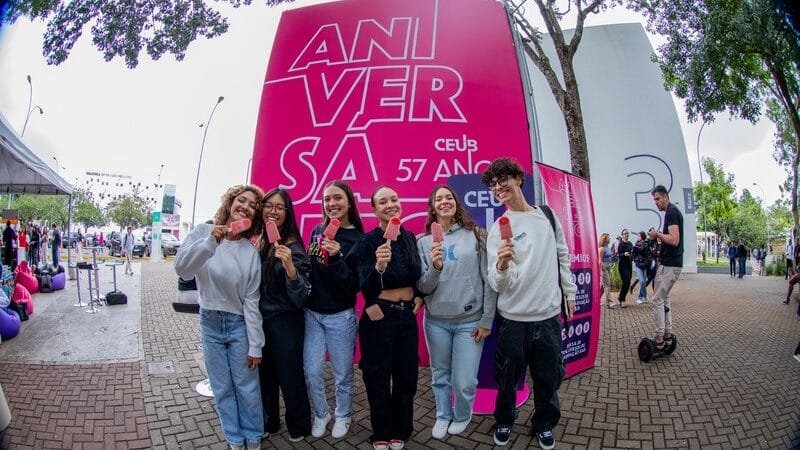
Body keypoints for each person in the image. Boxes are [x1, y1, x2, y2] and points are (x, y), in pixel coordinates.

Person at [480, 158, 576, 449]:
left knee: (548, 380)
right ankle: (505, 420)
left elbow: (562, 255)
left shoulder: (547, 216)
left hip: (548, 318)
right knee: (506, 380)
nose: (499, 188)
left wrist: (569, 293)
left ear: (518, 179)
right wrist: (503, 265)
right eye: (494, 186)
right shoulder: (498, 228)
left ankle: (544, 423)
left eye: (503, 181)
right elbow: (498, 284)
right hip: (513, 320)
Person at [173, 184, 265, 450]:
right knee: (222, 387)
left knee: (246, 386)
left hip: (238, 325)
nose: (245, 207)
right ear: (230, 201)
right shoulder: (203, 232)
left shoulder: (249, 252)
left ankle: (253, 436)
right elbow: (183, 269)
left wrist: (256, 344)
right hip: (209, 321)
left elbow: (251, 301)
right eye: (242, 200)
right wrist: (211, 240)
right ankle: (235, 439)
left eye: (251, 206)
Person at [417, 185, 497, 440]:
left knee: (464, 381)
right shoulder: (423, 242)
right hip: (436, 321)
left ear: (455, 203)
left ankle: (462, 414)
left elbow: (489, 280)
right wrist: (436, 266)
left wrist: (486, 319)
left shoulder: (475, 234)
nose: (444, 202)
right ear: (432, 207)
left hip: (469, 321)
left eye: (448, 197)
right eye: (438, 199)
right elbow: (423, 287)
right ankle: (443, 414)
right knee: (440, 375)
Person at [349, 185, 423, 450]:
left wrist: (419, 296)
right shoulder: (367, 242)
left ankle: (401, 430)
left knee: (406, 377)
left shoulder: (410, 238)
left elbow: (417, 276)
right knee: (377, 376)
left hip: (407, 317)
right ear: (374, 209)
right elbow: (364, 286)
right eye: (383, 202)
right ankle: (381, 430)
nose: (390, 204)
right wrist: (378, 266)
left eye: (394, 199)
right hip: (379, 316)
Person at [304, 181, 364, 439]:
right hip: (312, 314)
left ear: (349, 201)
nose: (332, 204)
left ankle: (343, 414)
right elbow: (311, 268)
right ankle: (321, 413)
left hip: (341, 315)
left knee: (342, 374)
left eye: (337, 198)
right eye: (327, 199)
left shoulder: (359, 239)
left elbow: (355, 285)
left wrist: (338, 256)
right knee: (312, 370)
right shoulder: (318, 230)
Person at [257, 188, 312, 442]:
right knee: (264, 375)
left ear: (287, 213)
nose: (273, 211)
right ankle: (269, 420)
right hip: (260, 321)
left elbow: (301, 297)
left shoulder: (294, 248)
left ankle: (299, 425)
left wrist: (290, 268)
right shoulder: (259, 243)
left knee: (290, 376)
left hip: (286, 322)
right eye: (269, 206)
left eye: (279, 207)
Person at [647, 185, 683, 350]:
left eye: (657, 199)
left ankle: (659, 337)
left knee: (657, 299)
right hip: (671, 263)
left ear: (665, 197)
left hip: (670, 264)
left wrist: (657, 235)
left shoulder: (672, 212)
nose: (656, 203)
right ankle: (667, 334)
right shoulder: (671, 212)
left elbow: (674, 240)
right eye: (654, 200)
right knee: (664, 298)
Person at [631, 231, 652, 304]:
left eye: (639, 236)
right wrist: (635, 260)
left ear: (642, 236)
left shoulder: (647, 244)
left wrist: (648, 262)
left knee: (643, 282)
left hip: (645, 265)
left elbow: (649, 254)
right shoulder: (636, 245)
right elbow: (633, 254)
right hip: (638, 265)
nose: (638, 237)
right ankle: (644, 296)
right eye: (638, 236)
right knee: (642, 281)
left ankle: (640, 296)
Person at [614, 229, 633, 308]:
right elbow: (619, 254)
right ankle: (622, 300)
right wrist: (624, 254)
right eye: (625, 233)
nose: (627, 235)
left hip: (629, 265)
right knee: (626, 281)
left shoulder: (630, 243)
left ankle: (621, 297)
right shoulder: (621, 244)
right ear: (622, 235)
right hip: (622, 265)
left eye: (628, 233)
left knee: (628, 283)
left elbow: (632, 252)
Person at [598, 233, 615, 308]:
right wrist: (599, 270)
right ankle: (609, 302)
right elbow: (599, 260)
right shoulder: (602, 248)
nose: (609, 239)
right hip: (603, 266)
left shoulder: (608, 247)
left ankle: (597, 300)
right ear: (604, 239)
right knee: (607, 284)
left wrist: (614, 253)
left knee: (603, 285)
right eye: (608, 238)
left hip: (609, 266)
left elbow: (610, 256)